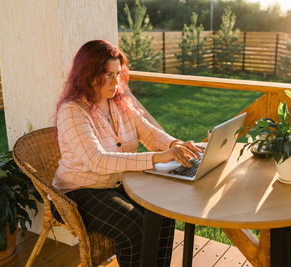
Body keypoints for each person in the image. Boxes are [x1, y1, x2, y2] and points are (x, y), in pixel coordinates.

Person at [52, 40, 203, 267]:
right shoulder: (72, 111)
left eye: (118, 74)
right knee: (134, 226)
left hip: (118, 184)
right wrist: (159, 157)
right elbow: (97, 160)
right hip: (78, 190)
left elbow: (150, 133)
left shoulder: (119, 102)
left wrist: (177, 144)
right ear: (88, 74)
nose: (116, 82)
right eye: (108, 75)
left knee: (163, 211)